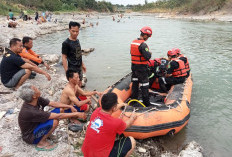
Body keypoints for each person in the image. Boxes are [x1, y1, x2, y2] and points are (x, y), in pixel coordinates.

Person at [17, 83, 86, 151]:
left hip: (37, 124)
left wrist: (69, 106)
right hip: (31, 136)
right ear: (33, 96)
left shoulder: (36, 100)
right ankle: (41, 143)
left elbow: (53, 104)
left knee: (61, 109)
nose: (38, 88)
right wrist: (76, 114)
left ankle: (45, 133)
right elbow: (58, 116)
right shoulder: (31, 111)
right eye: (35, 89)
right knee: (55, 121)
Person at [82, 93, 137, 157]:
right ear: (114, 107)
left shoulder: (96, 112)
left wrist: (122, 104)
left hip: (87, 153)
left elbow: (111, 110)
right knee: (131, 141)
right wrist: (133, 117)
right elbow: (128, 124)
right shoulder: (116, 122)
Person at [130, 26, 152, 107]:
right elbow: (147, 56)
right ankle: (147, 104)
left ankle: (133, 101)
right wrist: (150, 53)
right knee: (144, 85)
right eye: (148, 37)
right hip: (141, 67)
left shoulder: (133, 42)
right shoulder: (143, 45)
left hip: (134, 66)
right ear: (145, 35)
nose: (148, 38)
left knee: (135, 84)